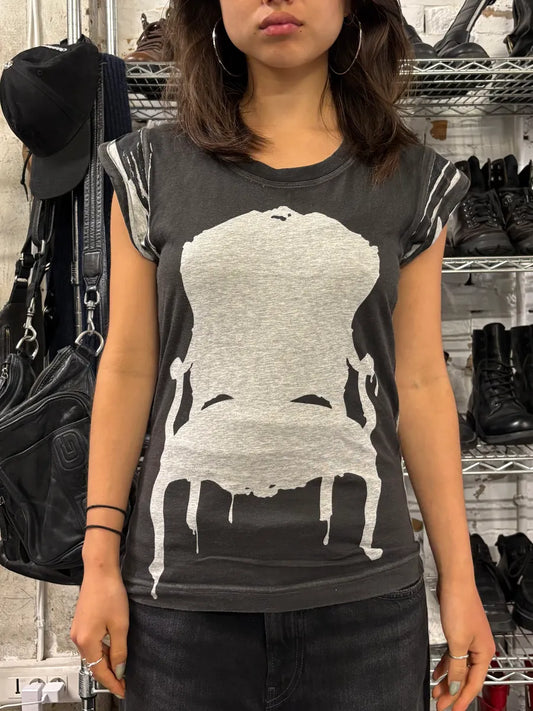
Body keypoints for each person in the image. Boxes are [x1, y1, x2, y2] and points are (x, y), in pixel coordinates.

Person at [70, 1, 496, 709]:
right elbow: (128, 366)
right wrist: (98, 561)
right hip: (180, 611)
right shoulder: (149, 170)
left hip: (365, 610)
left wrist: (459, 578)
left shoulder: (411, 181)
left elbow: (420, 382)